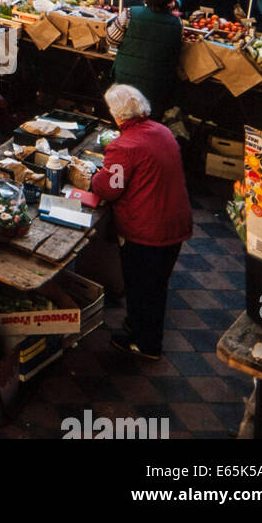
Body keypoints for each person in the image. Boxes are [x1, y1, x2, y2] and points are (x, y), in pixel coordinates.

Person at [90, 83, 192, 361]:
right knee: (157, 283)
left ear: (117, 115)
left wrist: (95, 177)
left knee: (141, 285)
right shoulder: (161, 131)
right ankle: (139, 325)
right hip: (176, 222)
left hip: (148, 230)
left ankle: (146, 344)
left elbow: (110, 188)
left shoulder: (124, 146)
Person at [105, 0, 183, 119]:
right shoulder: (176, 23)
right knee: (148, 116)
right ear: (169, 1)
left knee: (124, 112)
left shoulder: (129, 13)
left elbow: (112, 39)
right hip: (156, 80)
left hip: (126, 73)